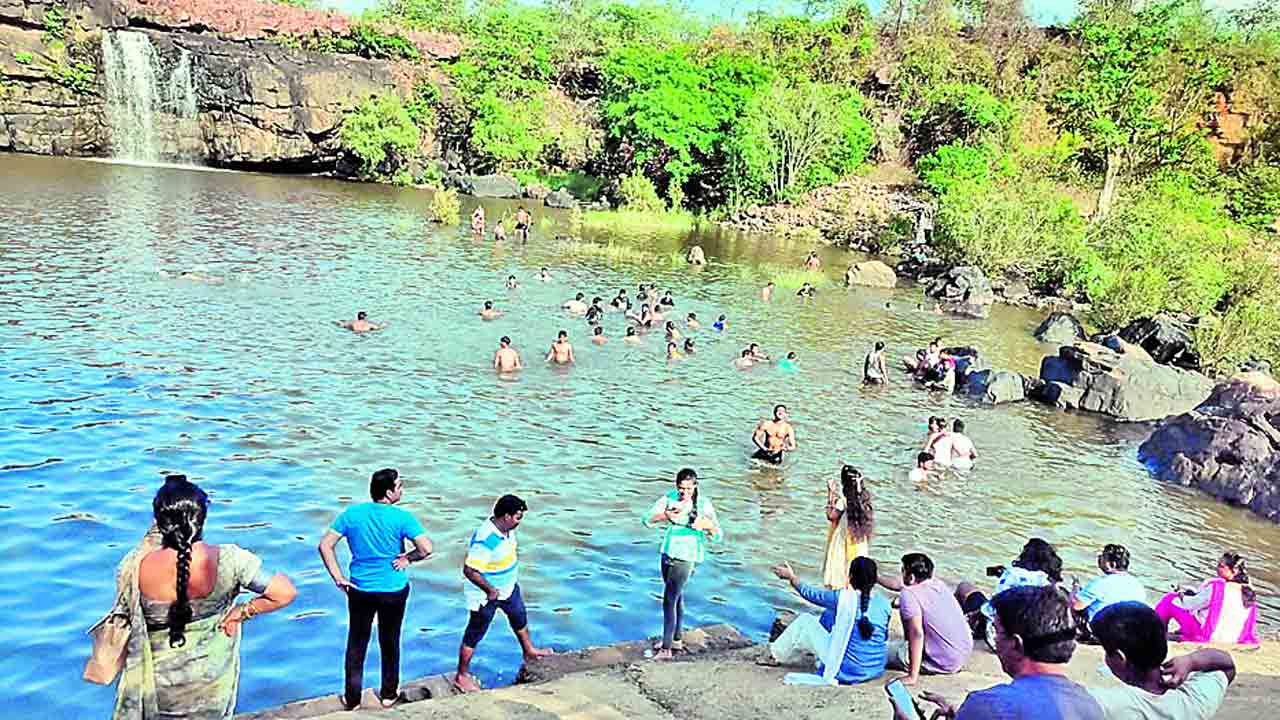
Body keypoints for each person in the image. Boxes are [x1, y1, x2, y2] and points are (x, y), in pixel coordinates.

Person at [112, 476, 297, 720]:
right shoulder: (231, 559)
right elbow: (284, 592)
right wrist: (241, 612)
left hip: (157, 688)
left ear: (159, 521)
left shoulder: (134, 567)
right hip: (211, 684)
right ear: (201, 519)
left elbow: (123, 619)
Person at [318, 469, 432, 710]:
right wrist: (408, 559)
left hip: (359, 589)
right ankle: (389, 695)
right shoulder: (402, 518)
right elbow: (426, 548)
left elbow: (325, 545)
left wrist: (338, 578)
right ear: (389, 492)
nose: (402, 489)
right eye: (400, 486)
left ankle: (352, 700)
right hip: (393, 590)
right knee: (390, 641)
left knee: (357, 643)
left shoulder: (352, 514)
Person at [903, 585, 1104, 720]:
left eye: (997, 633)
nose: (996, 642)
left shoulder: (990, 705)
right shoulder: (1089, 704)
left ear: (1016, 644)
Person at [454, 495, 552, 692]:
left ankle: (529, 651)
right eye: (517, 518)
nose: (519, 522)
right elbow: (470, 570)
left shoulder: (506, 530)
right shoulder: (488, 538)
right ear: (506, 516)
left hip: (508, 588)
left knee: (519, 618)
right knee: (475, 633)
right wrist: (489, 589)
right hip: (486, 595)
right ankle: (461, 676)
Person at [1089, 602, 1236, 719]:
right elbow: (1227, 665)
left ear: (1121, 658)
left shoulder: (1106, 704)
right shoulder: (1193, 703)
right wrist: (1191, 661)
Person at [766, 557, 890, 685]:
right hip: (874, 668)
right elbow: (883, 637)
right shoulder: (884, 604)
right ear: (875, 579)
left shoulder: (841, 597)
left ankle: (774, 656)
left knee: (805, 620)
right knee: (830, 615)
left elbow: (810, 593)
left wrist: (791, 577)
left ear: (851, 576)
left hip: (848, 670)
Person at [643, 469, 723, 660]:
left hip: (687, 557)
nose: (684, 493)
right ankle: (676, 639)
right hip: (668, 552)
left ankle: (666, 649)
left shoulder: (703, 505)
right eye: (681, 488)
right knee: (677, 598)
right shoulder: (669, 498)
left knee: (669, 599)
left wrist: (707, 526)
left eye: (688, 488)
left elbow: (719, 536)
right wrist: (665, 516)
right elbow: (646, 520)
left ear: (695, 486)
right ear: (675, 486)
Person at [878, 553, 974, 685]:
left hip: (943, 662)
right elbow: (898, 583)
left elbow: (916, 634)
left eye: (902, 571)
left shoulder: (909, 594)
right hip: (961, 655)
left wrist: (912, 676)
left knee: (877, 651)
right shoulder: (938, 584)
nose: (901, 575)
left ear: (911, 577)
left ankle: (910, 660)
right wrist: (876, 577)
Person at [1153, 551, 1259, 645]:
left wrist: (1181, 594)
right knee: (1200, 610)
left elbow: (1190, 605)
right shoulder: (1250, 590)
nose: (1217, 568)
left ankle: (1156, 635)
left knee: (1169, 600)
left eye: (1221, 566)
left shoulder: (1218, 587)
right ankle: (1179, 632)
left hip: (1211, 636)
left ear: (1234, 571)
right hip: (1235, 638)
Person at [1070, 544, 1147, 638]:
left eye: (1102, 557)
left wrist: (1075, 588)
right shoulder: (1138, 585)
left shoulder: (1100, 583)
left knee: (1066, 598)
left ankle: (1083, 634)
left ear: (1112, 564)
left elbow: (1075, 606)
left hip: (1102, 633)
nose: (1099, 558)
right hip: (1127, 633)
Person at [822, 465, 872, 589]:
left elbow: (831, 516)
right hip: (859, 541)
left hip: (843, 540)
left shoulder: (844, 501)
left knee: (841, 567)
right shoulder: (865, 500)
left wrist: (831, 493)